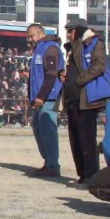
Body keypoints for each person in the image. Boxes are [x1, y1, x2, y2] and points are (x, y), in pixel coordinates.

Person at [59, 19, 110, 187]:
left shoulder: (95, 43)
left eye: (70, 30)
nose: (68, 34)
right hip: (72, 98)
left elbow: (99, 65)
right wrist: (65, 76)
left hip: (87, 98)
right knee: (75, 140)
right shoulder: (70, 48)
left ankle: (91, 176)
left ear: (79, 30)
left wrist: (79, 80)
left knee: (87, 139)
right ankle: (82, 175)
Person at [26, 23, 64, 177]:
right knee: (37, 127)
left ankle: (53, 165)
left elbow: (51, 75)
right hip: (40, 97)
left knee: (48, 128)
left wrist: (41, 96)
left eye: (31, 36)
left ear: (39, 33)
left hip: (49, 96)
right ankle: (48, 161)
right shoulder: (39, 49)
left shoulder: (51, 48)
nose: (29, 40)